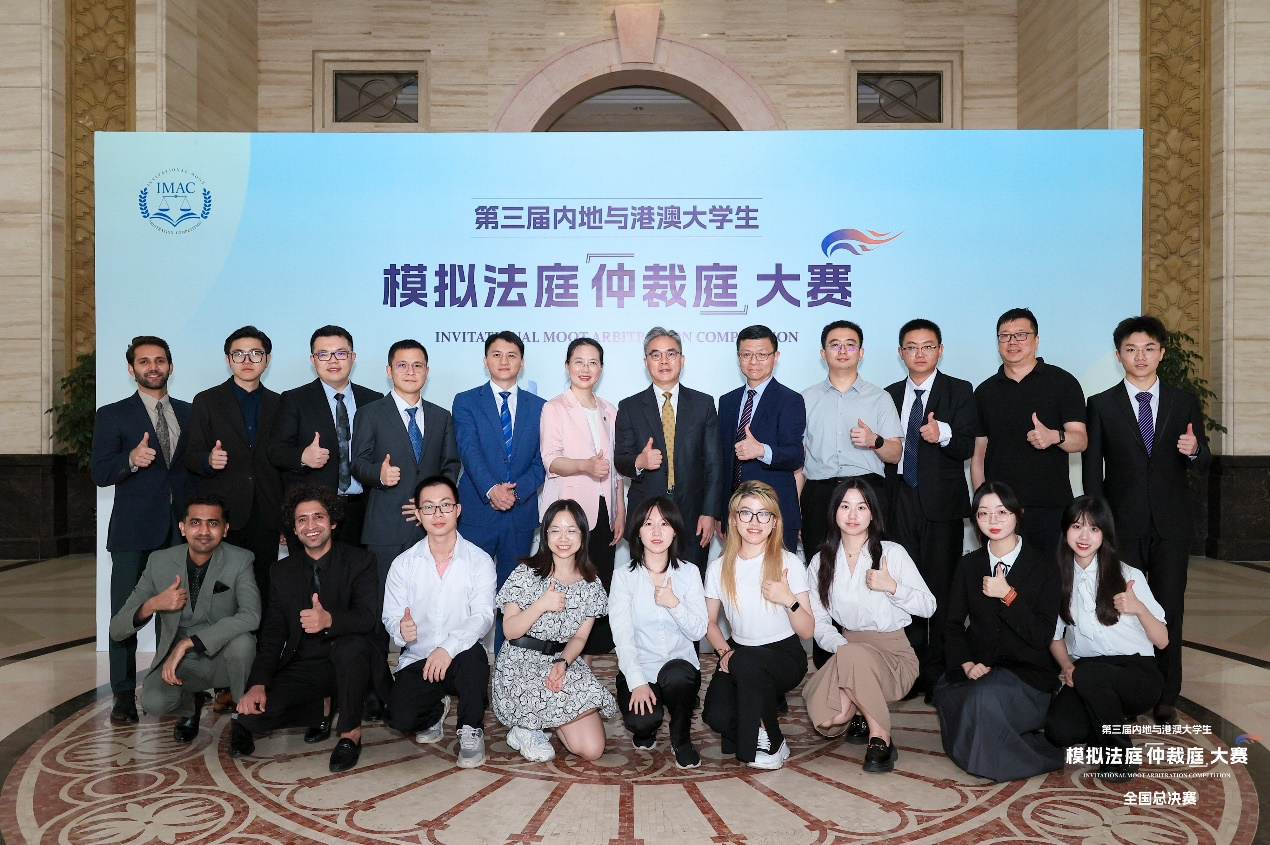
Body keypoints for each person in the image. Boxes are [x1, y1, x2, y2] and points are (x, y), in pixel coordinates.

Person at [1082, 314, 1210, 725]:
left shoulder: (1183, 400)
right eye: (1131, 349)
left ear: (1162, 353)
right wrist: (1098, 525)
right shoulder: (1101, 404)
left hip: (1172, 525)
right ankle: (1130, 688)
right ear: (1119, 354)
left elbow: (1204, 459)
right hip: (1122, 525)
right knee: (1124, 606)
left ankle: (1167, 696)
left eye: (1149, 348)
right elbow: (1092, 472)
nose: (1141, 356)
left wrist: (1194, 450)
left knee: (1170, 606)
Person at [232, 484, 392, 773]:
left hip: (352, 661)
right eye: (302, 519)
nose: (311, 526)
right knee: (251, 718)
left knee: (351, 647)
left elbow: (368, 618)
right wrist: (258, 683)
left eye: (318, 517)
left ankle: (350, 734)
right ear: (294, 529)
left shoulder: (360, 561)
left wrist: (330, 620)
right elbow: (273, 633)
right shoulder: (281, 571)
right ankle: (323, 706)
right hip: (306, 664)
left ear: (333, 522)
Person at [933, 481, 1065, 782]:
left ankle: (1018, 752)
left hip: (1026, 673)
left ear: (1019, 513)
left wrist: (1008, 595)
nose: (993, 520)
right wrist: (967, 663)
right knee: (947, 691)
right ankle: (986, 745)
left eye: (1002, 512)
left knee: (984, 698)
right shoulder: (969, 565)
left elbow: (1041, 635)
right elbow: (952, 625)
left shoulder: (1045, 567)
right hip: (980, 666)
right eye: (983, 513)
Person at [91, 335, 192, 725]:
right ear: (131, 369)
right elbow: (100, 472)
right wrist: (130, 459)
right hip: (133, 532)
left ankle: (173, 689)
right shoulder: (113, 415)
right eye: (145, 361)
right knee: (125, 613)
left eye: (160, 360)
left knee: (179, 613)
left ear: (171, 366)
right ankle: (121, 695)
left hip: (180, 530)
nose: (153, 367)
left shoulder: (190, 412)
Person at [803, 480, 934, 774]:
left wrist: (893, 587)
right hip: (848, 649)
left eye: (861, 507)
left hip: (894, 654)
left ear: (872, 513)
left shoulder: (892, 554)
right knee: (830, 720)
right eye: (845, 506)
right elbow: (819, 622)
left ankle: (880, 737)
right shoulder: (821, 561)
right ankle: (861, 709)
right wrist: (843, 649)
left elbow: (929, 607)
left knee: (853, 656)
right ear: (834, 512)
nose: (853, 515)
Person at [108, 494, 260, 745]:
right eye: (195, 523)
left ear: (225, 529)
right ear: (182, 527)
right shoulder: (159, 562)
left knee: (243, 644)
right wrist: (153, 604)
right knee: (153, 701)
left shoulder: (240, 559)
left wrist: (189, 642)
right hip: (183, 664)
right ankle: (190, 706)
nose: (204, 531)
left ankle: (242, 721)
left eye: (212, 523)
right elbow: (117, 629)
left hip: (225, 657)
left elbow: (251, 615)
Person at [883, 319, 977, 704]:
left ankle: (938, 672)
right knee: (901, 588)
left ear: (940, 349)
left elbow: (967, 446)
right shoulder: (888, 395)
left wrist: (944, 434)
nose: (919, 353)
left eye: (927, 346)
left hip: (942, 504)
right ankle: (908, 672)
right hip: (899, 500)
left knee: (940, 588)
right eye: (911, 347)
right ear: (900, 352)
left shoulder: (959, 390)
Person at [1045, 495, 1168, 782]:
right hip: (1089, 672)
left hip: (1137, 674)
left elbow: (1162, 641)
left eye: (1094, 528)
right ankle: (1106, 724)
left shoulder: (1128, 574)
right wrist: (1067, 667)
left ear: (1105, 534)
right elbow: (1054, 636)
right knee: (1059, 730)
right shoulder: (1057, 579)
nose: (1084, 536)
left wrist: (1139, 608)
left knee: (1090, 675)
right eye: (1077, 526)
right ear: (1065, 530)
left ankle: (1121, 756)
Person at [383, 475, 497, 769]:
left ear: (458, 510)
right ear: (418, 514)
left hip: (461, 656)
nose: (438, 513)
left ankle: (471, 729)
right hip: (419, 657)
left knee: (474, 659)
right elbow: (391, 616)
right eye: (429, 507)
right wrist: (400, 629)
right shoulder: (403, 564)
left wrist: (448, 647)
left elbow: (483, 615)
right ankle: (435, 710)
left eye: (445, 505)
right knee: (399, 717)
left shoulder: (479, 561)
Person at [492, 499, 618, 763]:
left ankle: (543, 718)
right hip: (521, 663)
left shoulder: (591, 583)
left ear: (583, 535)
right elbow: (510, 630)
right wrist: (541, 605)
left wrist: (563, 662)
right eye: (555, 530)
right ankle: (526, 728)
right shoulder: (525, 574)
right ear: (545, 534)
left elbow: (580, 637)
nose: (563, 538)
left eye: (571, 530)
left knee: (592, 750)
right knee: (565, 734)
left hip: (560, 661)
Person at [702, 481, 813, 769]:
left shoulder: (789, 562)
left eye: (764, 514)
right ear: (734, 520)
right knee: (716, 717)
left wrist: (789, 600)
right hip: (739, 651)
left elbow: (807, 630)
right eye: (746, 513)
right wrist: (725, 652)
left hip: (784, 655)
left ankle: (771, 743)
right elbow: (709, 622)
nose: (754, 521)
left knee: (747, 663)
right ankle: (755, 726)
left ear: (774, 522)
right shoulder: (718, 567)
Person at [451, 331, 545, 651]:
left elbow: (542, 460)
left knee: (513, 594)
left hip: (519, 514)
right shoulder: (466, 401)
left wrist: (515, 494)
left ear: (522, 363)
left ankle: (508, 662)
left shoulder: (540, 406)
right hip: (477, 512)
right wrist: (492, 490)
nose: (504, 361)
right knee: (468, 591)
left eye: (511, 355)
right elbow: (468, 450)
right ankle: (464, 659)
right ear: (485, 360)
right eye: (496, 355)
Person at [971, 308, 1087, 556]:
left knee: (1051, 575)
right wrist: (981, 504)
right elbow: (979, 454)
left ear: (1036, 340)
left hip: (1051, 506)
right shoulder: (984, 392)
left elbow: (1080, 440)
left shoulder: (1063, 382)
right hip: (1000, 509)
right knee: (1002, 576)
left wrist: (1054, 437)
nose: (1012, 342)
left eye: (1021, 335)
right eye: (1005, 336)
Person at [185, 325, 284, 604]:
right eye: (238, 354)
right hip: (224, 512)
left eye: (255, 353)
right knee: (221, 590)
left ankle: (260, 634)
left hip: (267, 511)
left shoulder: (280, 403)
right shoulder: (206, 401)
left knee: (263, 587)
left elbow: (283, 462)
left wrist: (285, 520)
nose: (247, 360)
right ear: (228, 360)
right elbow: (191, 456)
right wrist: (208, 459)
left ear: (267, 359)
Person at [350, 339, 461, 585]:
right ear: (389, 371)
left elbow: (450, 465)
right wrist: (379, 474)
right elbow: (357, 463)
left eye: (417, 366)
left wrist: (433, 502)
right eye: (402, 365)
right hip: (386, 526)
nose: (410, 371)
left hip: (432, 526)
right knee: (386, 597)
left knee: (431, 596)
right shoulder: (369, 413)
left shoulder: (441, 416)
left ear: (427, 371)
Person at [539, 337, 625, 656]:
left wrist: (620, 510)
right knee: (565, 579)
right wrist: (585, 466)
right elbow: (551, 460)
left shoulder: (609, 410)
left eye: (592, 362)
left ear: (601, 369)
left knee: (599, 578)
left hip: (604, 508)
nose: (585, 368)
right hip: (567, 510)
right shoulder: (554, 407)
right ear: (567, 366)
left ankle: (592, 652)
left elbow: (616, 468)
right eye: (579, 361)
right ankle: (558, 649)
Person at [609, 496, 709, 769]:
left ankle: (681, 737)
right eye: (648, 524)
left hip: (679, 669)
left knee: (678, 674)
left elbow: (699, 630)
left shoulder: (689, 573)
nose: (656, 531)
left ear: (674, 530)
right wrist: (638, 682)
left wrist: (673, 603)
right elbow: (622, 636)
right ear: (638, 532)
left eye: (664, 524)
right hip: (641, 667)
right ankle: (647, 728)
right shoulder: (624, 577)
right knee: (641, 721)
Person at [615, 327, 723, 573]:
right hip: (645, 517)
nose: (664, 361)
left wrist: (709, 512)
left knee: (691, 584)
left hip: (693, 516)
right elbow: (620, 459)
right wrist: (639, 461)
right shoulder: (630, 406)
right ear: (646, 363)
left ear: (682, 360)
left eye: (671, 354)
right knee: (645, 586)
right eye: (656, 355)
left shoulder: (703, 404)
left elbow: (714, 464)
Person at [267, 325, 383, 553]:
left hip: (363, 511)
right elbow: (275, 450)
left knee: (358, 572)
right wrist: (302, 456)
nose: (333, 360)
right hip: (314, 513)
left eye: (341, 353)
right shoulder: (294, 399)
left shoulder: (373, 400)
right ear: (313, 360)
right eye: (323, 354)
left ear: (353, 357)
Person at [801, 320, 902, 564]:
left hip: (866, 492)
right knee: (819, 566)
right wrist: (796, 509)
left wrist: (874, 440)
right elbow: (799, 461)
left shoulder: (880, 397)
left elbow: (895, 454)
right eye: (835, 345)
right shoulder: (805, 399)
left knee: (869, 566)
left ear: (861, 352)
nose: (843, 351)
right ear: (823, 353)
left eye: (850, 345)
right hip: (819, 495)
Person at [718, 326, 806, 552]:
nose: (754, 361)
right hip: (736, 515)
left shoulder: (790, 400)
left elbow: (795, 456)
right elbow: (724, 462)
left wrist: (762, 451)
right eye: (746, 354)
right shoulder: (727, 401)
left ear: (775, 357)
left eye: (762, 354)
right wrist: (722, 513)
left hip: (775, 514)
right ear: (738, 358)